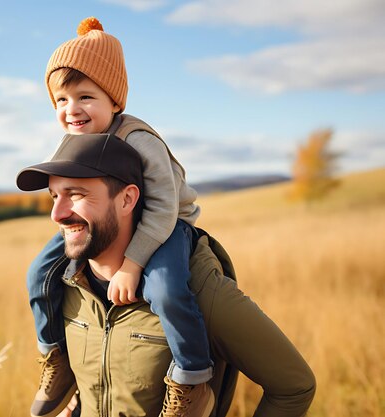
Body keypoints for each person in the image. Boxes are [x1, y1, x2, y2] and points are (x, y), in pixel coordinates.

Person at [16, 133, 316, 417]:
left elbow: (293, 388)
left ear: (126, 199)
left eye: (76, 194)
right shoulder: (61, 285)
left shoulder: (195, 289)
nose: (57, 214)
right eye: (54, 196)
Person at [27, 17, 212, 417]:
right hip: (107, 225)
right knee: (38, 273)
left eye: (85, 97)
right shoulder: (72, 142)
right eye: (61, 100)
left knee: (165, 290)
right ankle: (56, 356)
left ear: (115, 100)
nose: (71, 110)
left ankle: (192, 377)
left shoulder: (139, 140)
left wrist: (132, 265)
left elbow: (162, 206)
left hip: (165, 225)